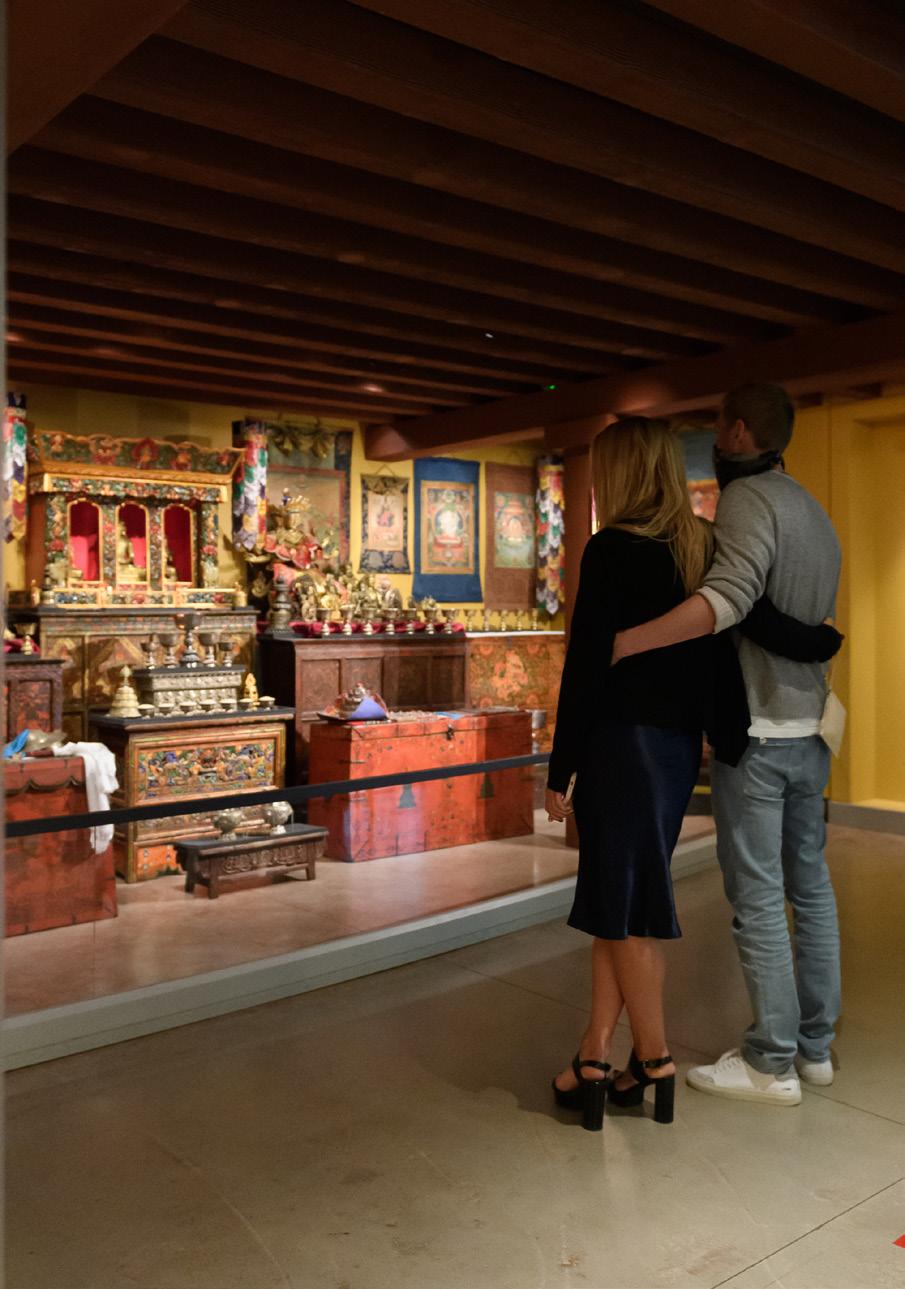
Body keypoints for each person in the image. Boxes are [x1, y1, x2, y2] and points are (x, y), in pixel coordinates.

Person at [546, 416, 840, 1131]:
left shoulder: (611, 548)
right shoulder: (699, 544)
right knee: (617, 906)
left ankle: (652, 1057)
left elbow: (585, 668)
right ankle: (594, 1054)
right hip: (675, 751)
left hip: (619, 746)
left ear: (620, 473)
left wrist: (560, 768)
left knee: (628, 911)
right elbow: (735, 634)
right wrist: (820, 644)